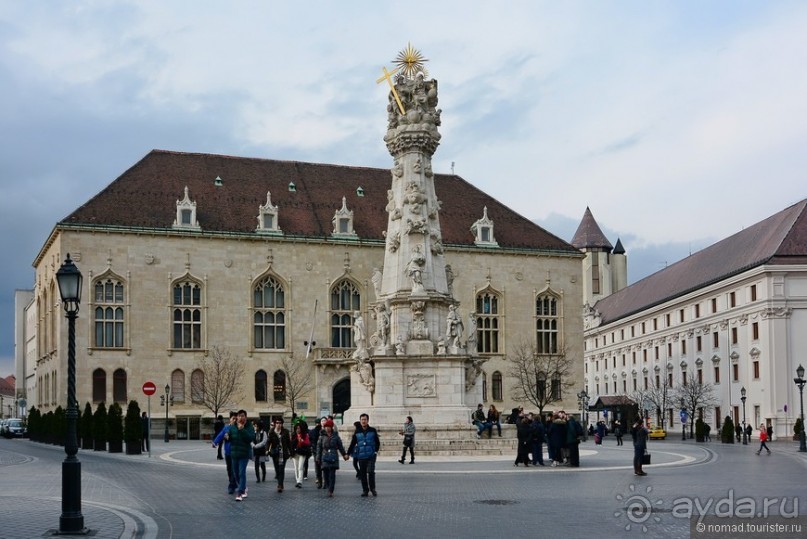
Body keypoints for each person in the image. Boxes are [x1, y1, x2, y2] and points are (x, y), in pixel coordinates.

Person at [348, 413, 381, 497]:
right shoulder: (357, 431)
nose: (363, 421)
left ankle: (372, 489)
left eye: (365, 419)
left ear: (368, 420)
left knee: (371, 472)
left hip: (371, 455)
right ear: (360, 421)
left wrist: (375, 451)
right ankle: (365, 490)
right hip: (361, 455)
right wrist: (347, 453)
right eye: (362, 419)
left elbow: (377, 442)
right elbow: (353, 443)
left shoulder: (372, 430)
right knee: (363, 474)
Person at [315, 419, 349, 497]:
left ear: (331, 427)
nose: (327, 428)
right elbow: (319, 447)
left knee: (332, 475)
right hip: (325, 456)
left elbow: (340, 446)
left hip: (333, 456)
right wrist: (318, 458)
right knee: (325, 475)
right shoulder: (322, 436)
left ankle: (331, 490)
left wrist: (344, 454)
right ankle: (327, 485)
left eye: (328, 427)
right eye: (326, 427)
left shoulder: (336, 436)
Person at [229, 409, 255, 501]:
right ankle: (243, 488)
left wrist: (242, 430)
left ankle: (239, 493)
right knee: (236, 474)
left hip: (244, 454)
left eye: (242, 416)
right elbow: (230, 437)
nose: (240, 418)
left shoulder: (249, 426)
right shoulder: (233, 427)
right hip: (234, 454)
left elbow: (250, 438)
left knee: (241, 473)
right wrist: (227, 437)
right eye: (239, 416)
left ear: (246, 417)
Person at [211, 411, 237, 494]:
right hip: (228, 452)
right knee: (229, 469)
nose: (235, 420)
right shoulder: (226, 428)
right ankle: (233, 482)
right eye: (233, 419)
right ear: (230, 419)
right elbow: (220, 435)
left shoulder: (238, 428)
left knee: (233, 469)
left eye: (236, 419)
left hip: (235, 453)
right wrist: (215, 442)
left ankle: (231, 486)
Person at [267, 418, 292, 492]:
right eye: (277, 423)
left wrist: (291, 452)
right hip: (275, 453)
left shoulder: (285, 432)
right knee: (277, 470)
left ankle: (280, 485)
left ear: (282, 424)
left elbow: (288, 443)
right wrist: (267, 450)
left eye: (280, 423)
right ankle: (279, 481)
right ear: (275, 424)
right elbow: (268, 442)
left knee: (281, 469)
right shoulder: (271, 432)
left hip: (282, 453)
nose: (278, 424)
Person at [291, 423, 311, 488]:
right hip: (295, 453)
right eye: (296, 428)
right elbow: (291, 444)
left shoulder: (305, 435)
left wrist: (302, 441)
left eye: (299, 428)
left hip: (302, 452)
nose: (297, 430)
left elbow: (308, 443)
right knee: (296, 468)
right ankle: (297, 480)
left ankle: (300, 481)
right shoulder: (293, 435)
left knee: (300, 467)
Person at [309, 417, 325, 489]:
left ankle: (325, 481)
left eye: (325, 421)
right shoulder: (315, 431)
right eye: (322, 421)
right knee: (318, 466)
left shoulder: (329, 430)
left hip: (325, 452)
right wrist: (313, 448)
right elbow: (312, 441)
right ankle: (319, 480)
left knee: (325, 467)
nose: (323, 422)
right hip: (317, 451)